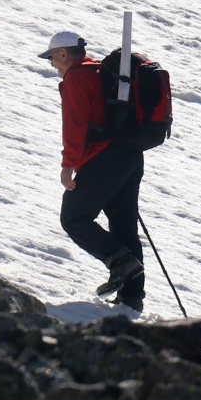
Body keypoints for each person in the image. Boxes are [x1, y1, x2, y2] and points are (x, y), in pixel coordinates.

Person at [42, 31, 145, 311]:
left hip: (103, 157)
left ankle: (121, 263)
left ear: (63, 53)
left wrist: (68, 165)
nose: (52, 64)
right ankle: (132, 298)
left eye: (52, 57)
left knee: (74, 217)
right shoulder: (102, 71)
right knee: (124, 224)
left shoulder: (77, 77)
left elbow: (75, 125)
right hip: (130, 155)